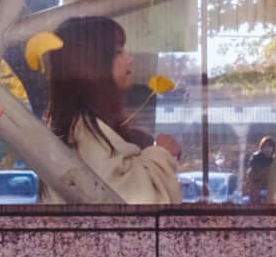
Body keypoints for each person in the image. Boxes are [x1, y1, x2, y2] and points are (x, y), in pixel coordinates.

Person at [38, 14, 181, 205]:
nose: (130, 59)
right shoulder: (85, 134)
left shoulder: (79, 129)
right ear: (92, 64)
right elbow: (134, 206)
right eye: (118, 52)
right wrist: (161, 153)